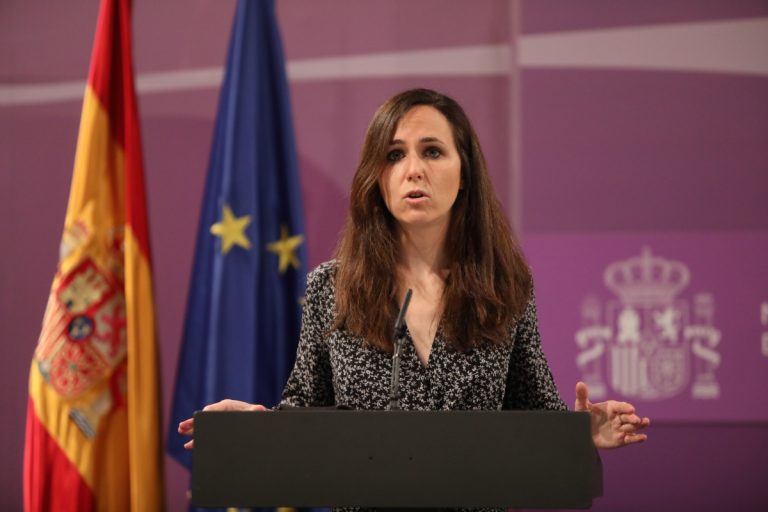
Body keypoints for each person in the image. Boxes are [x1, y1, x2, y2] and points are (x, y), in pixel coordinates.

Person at [179, 88, 650, 507]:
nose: (413, 171)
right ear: (376, 178)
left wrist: (577, 432)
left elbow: (533, 413)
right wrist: (250, 428)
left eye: (432, 151)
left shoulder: (505, 288)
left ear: (464, 173)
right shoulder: (332, 286)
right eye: (394, 155)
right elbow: (306, 411)